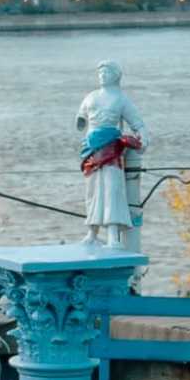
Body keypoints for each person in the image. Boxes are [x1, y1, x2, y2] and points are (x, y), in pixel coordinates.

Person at [76, 62, 145, 252]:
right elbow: (81, 119)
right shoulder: (90, 97)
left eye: (107, 72)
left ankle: (113, 234)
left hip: (112, 150)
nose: (102, 75)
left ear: (116, 75)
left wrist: (143, 137)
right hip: (91, 149)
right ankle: (92, 232)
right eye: (100, 72)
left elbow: (137, 123)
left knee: (112, 190)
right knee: (92, 192)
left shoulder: (121, 99)